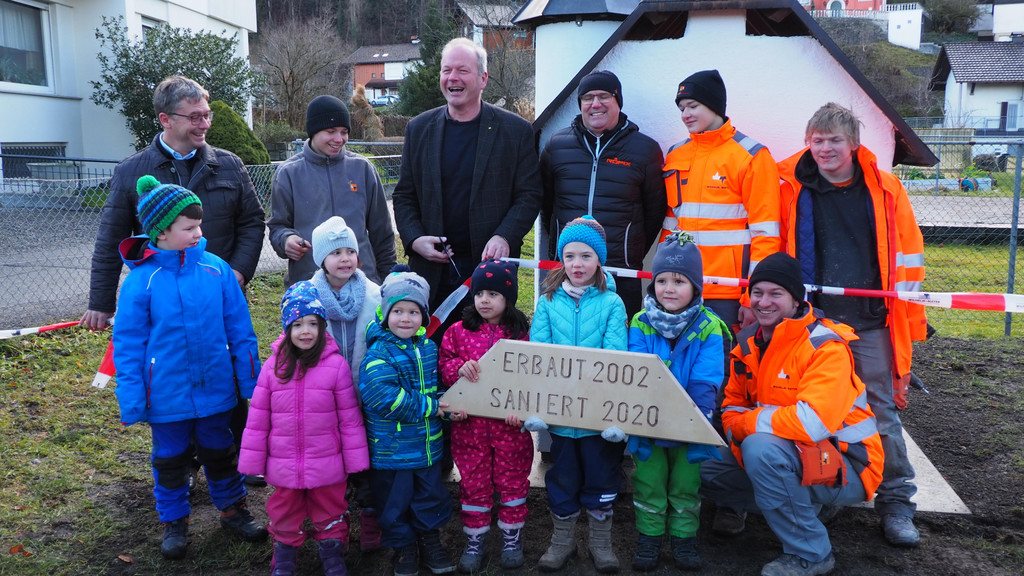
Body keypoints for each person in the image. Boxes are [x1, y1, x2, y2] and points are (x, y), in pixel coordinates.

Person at [82, 75, 266, 486]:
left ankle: (237, 456)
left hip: (220, 296)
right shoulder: (132, 171)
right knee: (172, 378)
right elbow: (111, 239)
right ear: (166, 119)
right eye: (195, 117)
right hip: (164, 307)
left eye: (207, 115)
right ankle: (182, 463)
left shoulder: (229, 164)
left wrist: (237, 272)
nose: (205, 124)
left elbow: (253, 222)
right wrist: (101, 302)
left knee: (227, 371)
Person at [777, 102, 928, 548]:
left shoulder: (885, 189)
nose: (824, 149)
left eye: (834, 140)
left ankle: (897, 502)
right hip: (815, 322)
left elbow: (909, 260)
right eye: (817, 140)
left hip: (871, 321)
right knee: (815, 409)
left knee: (880, 411)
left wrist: (909, 321)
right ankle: (828, 490)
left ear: (854, 144)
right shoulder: (790, 187)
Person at [700, 252, 884, 576]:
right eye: (757, 293)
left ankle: (811, 553)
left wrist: (748, 426)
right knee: (698, 464)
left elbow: (811, 424)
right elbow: (731, 408)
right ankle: (809, 506)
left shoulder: (824, 346)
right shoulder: (748, 343)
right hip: (796, 455)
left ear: (796, 299)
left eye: (776, 294)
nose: (763, 302)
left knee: (761, 450)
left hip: (849, 462)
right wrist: (743, 428)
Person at [112, 176, 267, 560]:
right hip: (167, 394)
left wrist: (250, 380)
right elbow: (127, 345)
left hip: (216, 387)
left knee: (221, 451)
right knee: (170, 459)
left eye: (199, 225)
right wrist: (131, 397)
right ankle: (174, 521)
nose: (199, 233)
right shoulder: (142, 282)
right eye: (189, 227)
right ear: (161, 232)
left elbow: (240, 329)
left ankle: (233, 510)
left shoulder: (216, 270)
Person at [392, 37, 542, 342]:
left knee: (486, 358)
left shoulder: (516, 131)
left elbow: (529, 195)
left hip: (489, 274)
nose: (453, 78)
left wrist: (504, 236)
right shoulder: (418, 129)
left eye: (462, 70)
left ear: (483, 78)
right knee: (430, 355)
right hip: (431, 271)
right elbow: (404, 195)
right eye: (447, 70)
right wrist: (415, 239)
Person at [238, 282, 370, 576]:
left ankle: (333, 553)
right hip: (284, 462)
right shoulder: (273, 367)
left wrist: (355, 459)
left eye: (312, 323)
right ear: (287, 329)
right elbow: (258, 420)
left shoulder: (336, 366)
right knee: (284, 510)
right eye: (297, 324)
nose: (306, 331)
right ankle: (285, 556)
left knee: (330, 508)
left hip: (327, 461)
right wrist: (252, 462)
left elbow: (349, 418)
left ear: (322, 326)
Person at [521, 216, 628, 573]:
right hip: (562, 416)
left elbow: (616, 360)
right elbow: (540, 357)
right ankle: (562, 542)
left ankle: (601, 543)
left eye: (585, 256)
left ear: (599, 260)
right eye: (569, 256)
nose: (577, 264)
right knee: (563, 478)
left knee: (601, 477)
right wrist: (541, 407)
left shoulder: (613, 303)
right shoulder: (548, 301)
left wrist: (612, 414)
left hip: (598, 419)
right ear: (561, 259)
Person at [625, 231, 727, 572]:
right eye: (662, 280)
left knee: (686, 483)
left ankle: (684, 538)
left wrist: (696, 418)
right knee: (648, 481)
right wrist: (645, 412)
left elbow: (706, 377)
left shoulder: (709, 326)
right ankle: (649, 537)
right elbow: (638, 371)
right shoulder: (640, 322)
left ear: (695, 287)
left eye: (679, 281)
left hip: (689, 422)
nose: (669, 288)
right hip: (649, 422)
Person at [661, 69, 782, 333]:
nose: (685, 114)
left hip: (727, 292)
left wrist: (753, 296)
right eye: (681, 108)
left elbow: (767, 234)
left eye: (693, 106)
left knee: (724, 359)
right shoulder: (676, 154)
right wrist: (663, 278)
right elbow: (670, 226)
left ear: (714, 105)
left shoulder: (751, 156)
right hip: (679, 286)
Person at [540, 70, 666, 319]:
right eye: (588, 98)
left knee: (616, 338)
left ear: (618, 101)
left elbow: (655, 212)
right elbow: (546, 203)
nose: (595, 104)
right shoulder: (557, 145)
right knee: (564, 337)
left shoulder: (645, 150)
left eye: (604, 96)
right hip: (567, 269)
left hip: (620, 272)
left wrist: (630, 250)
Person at [359, 267, 458, 576]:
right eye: (398, 311)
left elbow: (435, 390)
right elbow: (383, 398)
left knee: (429, 496)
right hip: (393, 451)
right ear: (385, 314)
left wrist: (450, 404)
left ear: (423, 317)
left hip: (427, 448)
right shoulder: (379, 352)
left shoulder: (428, 349)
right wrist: (432, 406)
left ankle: (429, 540)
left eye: (413, 312)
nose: (405, 318)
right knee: (395, 503)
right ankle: (403, 549)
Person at [439, 260, 533, 572]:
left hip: (510, 429)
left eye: (493, 294)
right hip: (470, 428)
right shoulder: (457, 332)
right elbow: (444, 364)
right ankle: (475, 538)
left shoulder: (522, 335)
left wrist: (521, 412)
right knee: (473, 482)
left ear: (508, 298)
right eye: (480, 293)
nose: (484, 300)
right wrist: (458, 369)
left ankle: (511, 536)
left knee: (512, 481)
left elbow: (532, 379)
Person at [309, 215, 384, 551]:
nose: (345, 259)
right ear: (321, 259)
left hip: (364, 395)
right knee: (332, 460)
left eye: (350, 251)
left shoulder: (374, 295)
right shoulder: (309, 296)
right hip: (324, 398)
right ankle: (335, 518)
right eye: (336, 252)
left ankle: (370, 513)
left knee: (364, 458)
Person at [268, 94, 396, 285]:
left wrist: (388, 280)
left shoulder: (363, 169)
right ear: (313, 132)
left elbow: (382, 233)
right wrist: (286, 240)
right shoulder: (288, 173)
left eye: (344, 132)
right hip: (310, 287)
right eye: (331, 131)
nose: (339, 139)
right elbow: (278, 227)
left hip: (363, 284)